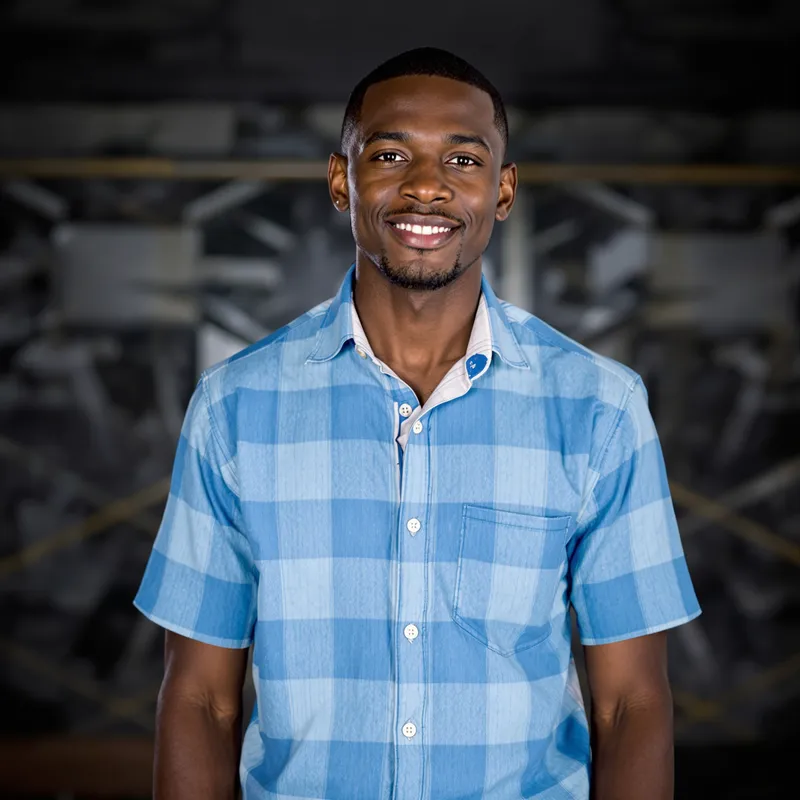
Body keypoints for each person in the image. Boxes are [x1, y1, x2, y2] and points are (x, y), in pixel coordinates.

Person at [134, 47, 701, 800]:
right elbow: (200, 700)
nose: (426, 186)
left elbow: (630, 703)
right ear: (342, 181)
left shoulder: (601, 408)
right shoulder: (234, 407)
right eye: (391, 155)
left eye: (463, 160)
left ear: (502, 192)